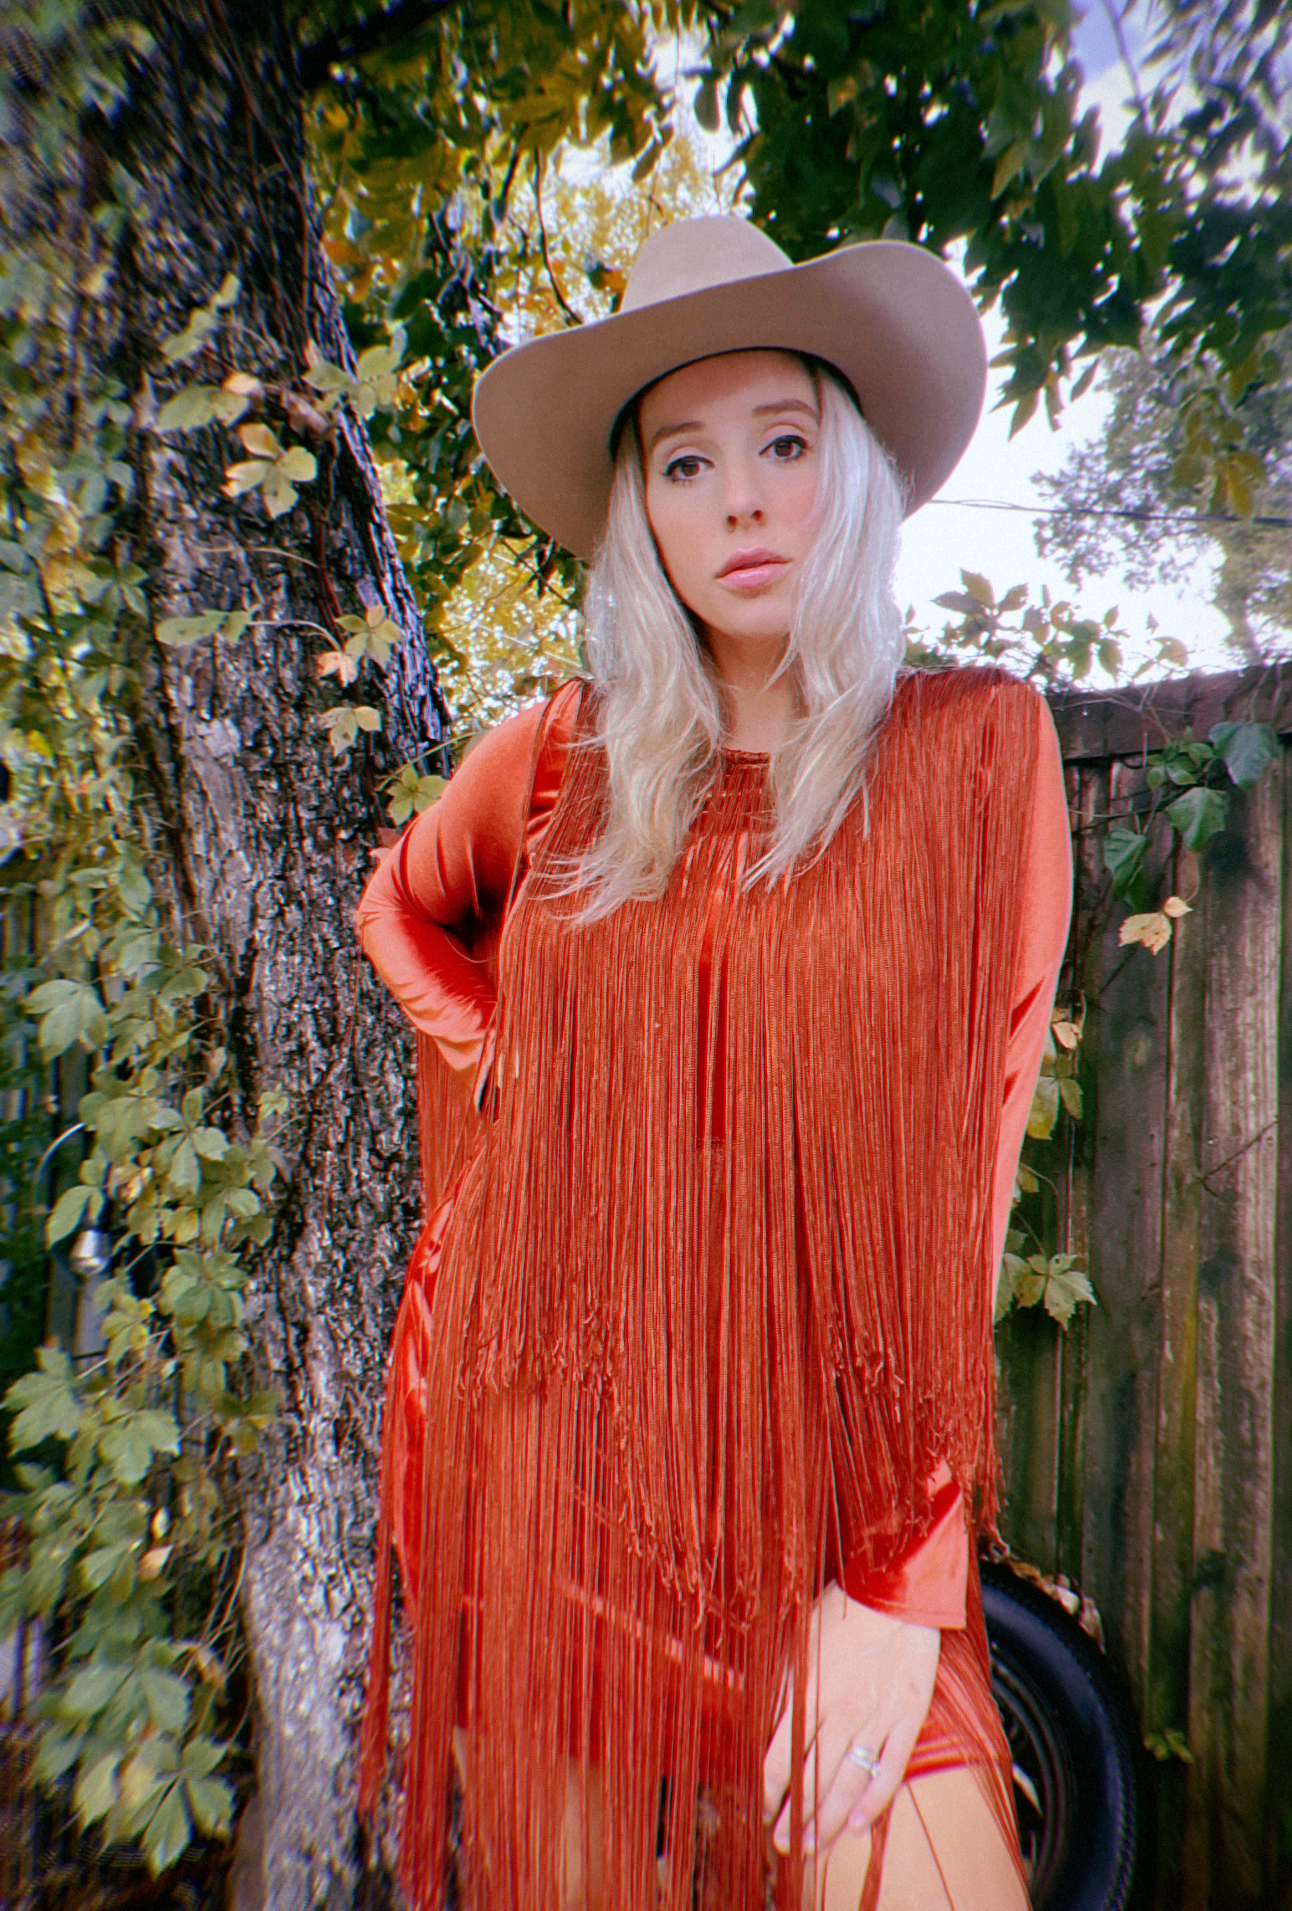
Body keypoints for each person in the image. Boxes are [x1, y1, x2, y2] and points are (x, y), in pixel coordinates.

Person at [355, 215, 1071, 1911]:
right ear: (641, 514)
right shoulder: (557, 761)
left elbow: (973, 1167)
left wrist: (902, 1583)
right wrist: (532, 1086)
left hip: (835, 1489)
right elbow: (400, 913)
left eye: (782, 442)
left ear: (851, 466)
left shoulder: (980, 754)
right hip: (565, 1462)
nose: (740, 497)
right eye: (686, 460)